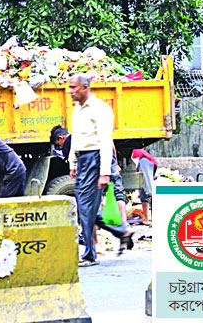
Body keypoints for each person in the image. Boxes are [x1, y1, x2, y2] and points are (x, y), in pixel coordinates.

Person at [51, 126, 134, 254]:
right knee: (113, 198)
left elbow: (77, 156)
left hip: (93, 168)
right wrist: (113, 165)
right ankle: (123, 229)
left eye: (59, 145)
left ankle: (94, 245)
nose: (61, 148)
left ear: (61, 138)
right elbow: (109, 143)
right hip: (105, 165)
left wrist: (76, 168)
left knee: (87, 207)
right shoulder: (88, 130)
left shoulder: (71, 140)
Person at [67, 73, 114, 267]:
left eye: (74, 88)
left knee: (86, 206)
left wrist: (105, 173)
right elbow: (75, 139)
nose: (70, 92)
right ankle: (121, 232)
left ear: (85, 88)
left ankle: (89, 253)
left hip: (95, 158)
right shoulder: (77, 110)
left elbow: (105, 142)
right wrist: (73, 163)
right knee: (84, 206)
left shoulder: (100, 109)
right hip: (83, 159)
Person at [131, 148, 157, 225]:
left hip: (144, 160)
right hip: (144, 161)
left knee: (149, 191)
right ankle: (145, 218)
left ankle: (155, 219)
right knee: (143, 191)